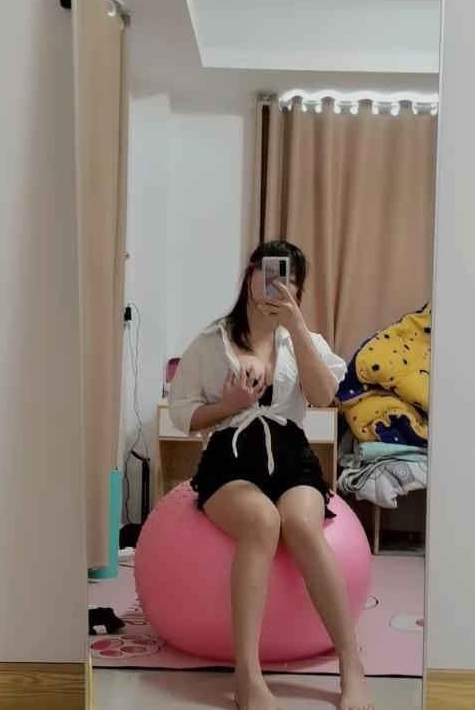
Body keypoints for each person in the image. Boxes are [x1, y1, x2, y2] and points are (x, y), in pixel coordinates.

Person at [168, 241, 373, 710]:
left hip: (291, 455)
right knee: (262, 521)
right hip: (230, 457)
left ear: (297, 290)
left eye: (289, 280)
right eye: (267, 274)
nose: (275, 286)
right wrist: (229, 405)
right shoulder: (211, 342)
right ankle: (248, 674)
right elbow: (183, 414)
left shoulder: (302, 339)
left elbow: (322, 396)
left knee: (300, 523)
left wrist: (297, 328)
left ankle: (351, 665)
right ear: (248, 277)